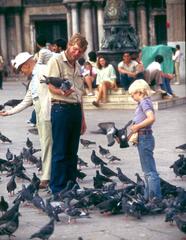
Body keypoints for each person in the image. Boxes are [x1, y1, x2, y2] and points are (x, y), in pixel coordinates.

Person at [0, 52, 52, 189]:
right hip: (40, 113)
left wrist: (40, 55)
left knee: (47, 145)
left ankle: (47, 177)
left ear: (27, 64)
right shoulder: (34, 78)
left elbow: (49, 54)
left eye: (22, 69)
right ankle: (49, 175)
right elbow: (27, 100)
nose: (22, 73)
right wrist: (9, 112)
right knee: (45, 143)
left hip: (47, 111)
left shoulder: (42, 70)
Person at [46, 33, 88, 196]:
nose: (77, 53)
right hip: (61, 109)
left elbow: (80, 95)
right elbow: (50, 85)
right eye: (75, 49)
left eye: (80, 51)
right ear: (69, 45)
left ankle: (70, 185)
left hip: (75, 110)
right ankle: (57, 188)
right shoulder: (56, 60)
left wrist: (83, 119)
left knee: (72, 151)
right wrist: (61, 93)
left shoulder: (77, 66)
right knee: (60, 151)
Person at [128, 79, 161, 201]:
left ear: (140, 92)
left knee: (150, 171)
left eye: (133, 94)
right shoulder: (143, 102)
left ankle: (155, 199)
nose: (132, 97)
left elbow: (151, 118)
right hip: (144, 137)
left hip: (145, 137)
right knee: (147, 170)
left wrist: (137, 126)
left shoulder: (144, 102)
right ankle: (149, 197)